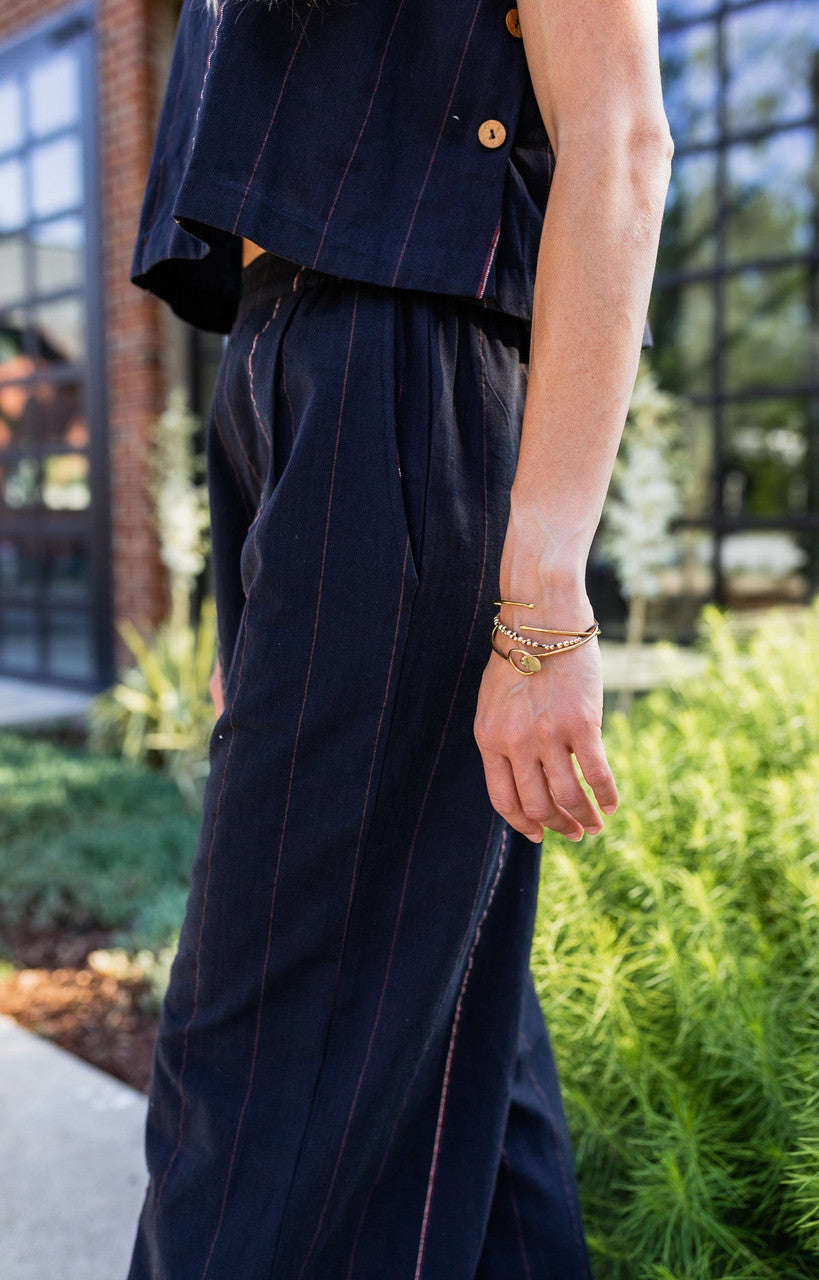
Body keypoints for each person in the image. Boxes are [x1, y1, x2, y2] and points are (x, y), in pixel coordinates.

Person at [125, 1, 672, 1276]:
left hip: (406, 382)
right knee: (453, 1044)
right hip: (289, 368)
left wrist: (541, 596)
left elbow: (619, 138)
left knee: (257, 1064)